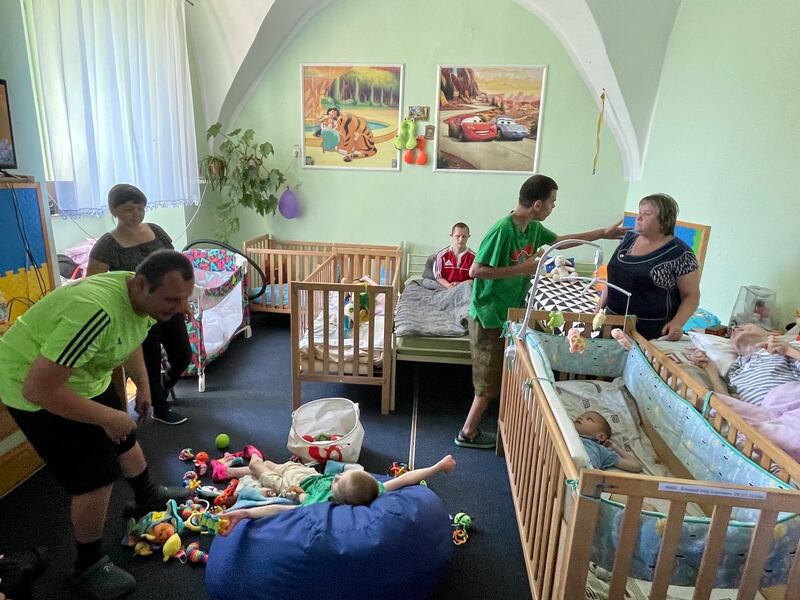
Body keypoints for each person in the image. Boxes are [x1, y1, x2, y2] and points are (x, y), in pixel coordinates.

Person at [0, 250, 195, 600]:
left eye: (184, 299)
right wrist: (106, 416)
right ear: (140, 284)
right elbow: (38, 388)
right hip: (30, 386)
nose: (179, 308)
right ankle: (87, 566)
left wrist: (145, 386)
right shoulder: (97, 311)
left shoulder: (140, 300)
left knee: (123, 432)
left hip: (81, 377)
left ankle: (146, 497)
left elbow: (132, 333)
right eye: (171, 299)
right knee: (95, 475)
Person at [456, 174, 628, 449]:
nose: (552, 207)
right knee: (487, 382)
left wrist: (601, 233)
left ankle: (490, 425)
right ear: (538, 204)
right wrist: (521, 270)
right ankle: (467, 432)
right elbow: (475, 271)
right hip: (488, 314)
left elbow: (561, 241)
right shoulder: (503, 230)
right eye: (552, 202)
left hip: (509, 314)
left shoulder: (533, 229)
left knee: (501, 374)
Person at [87, 183, 193, 425]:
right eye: (128, 209)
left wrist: (182, 301)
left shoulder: (156, 231)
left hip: (167, 306)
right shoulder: (107, 245)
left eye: (140, 208)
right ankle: (159, 407)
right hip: (137, 313)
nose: (136, 214)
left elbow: (176, 267)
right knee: (149, 360)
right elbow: (95, 284)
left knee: (182, 355)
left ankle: (164, 389)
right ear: (114, 210)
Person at [220, 454, 457, 534]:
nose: (334, 477)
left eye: (338, 482)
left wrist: (245, 512)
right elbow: (404, 478)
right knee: (273, 463)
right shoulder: (376, 488)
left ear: (340, 500)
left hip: (291, 483)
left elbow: (281, 509)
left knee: (261, 468)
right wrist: (438, 467)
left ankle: (251, 460)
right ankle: (229, 469)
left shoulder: (319, 504)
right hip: (304, 471)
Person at [600, 193, 700, 341]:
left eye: (646, 214)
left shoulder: (680, 254)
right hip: (611, 324)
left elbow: (691, 295)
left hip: (649, 333)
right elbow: (613, 279)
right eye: (639, 213)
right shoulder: (627, 241)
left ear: (664, 221)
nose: (638, 218)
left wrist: (677, 323)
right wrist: (599, 308)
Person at [691, 324, 800, 406]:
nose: (734, 328)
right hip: (767, 424)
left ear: (772, 334)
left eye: (744, 325)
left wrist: (789, 350)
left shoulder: (787, 351)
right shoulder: (734, 371)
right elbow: (726, 406)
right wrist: (709, 368)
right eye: (731, 335)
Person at [573, 411, 642, 472]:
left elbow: (636, 466)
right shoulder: (568, 431)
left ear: (601, 437)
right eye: (581, 416)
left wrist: (616, 448)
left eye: (589, 419)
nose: (581, 417)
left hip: (581, 475)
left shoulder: (601, 450)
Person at [433, 222, 475, 288]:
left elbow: (475, 280)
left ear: (468, 237)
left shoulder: (474, 257)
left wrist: (460, 285)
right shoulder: (441, 255)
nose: (461, 239)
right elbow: (438, 277)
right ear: (452, 236)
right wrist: (449, 286)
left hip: (465, 289)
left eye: (464, 236)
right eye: (457, 236)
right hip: (445, 288)